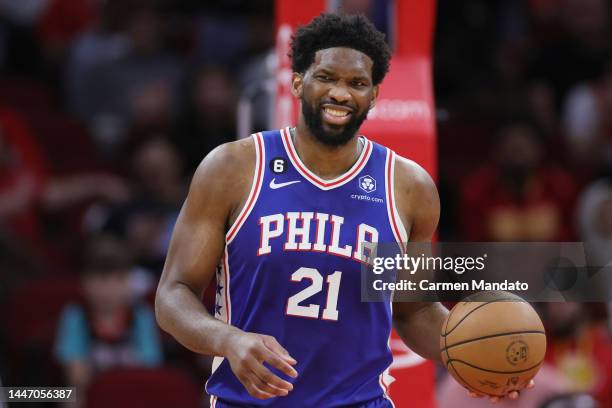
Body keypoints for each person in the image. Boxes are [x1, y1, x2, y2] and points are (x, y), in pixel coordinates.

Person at [155, 13, 530, 407]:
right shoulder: (234, 168)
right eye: (327, 77)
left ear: (374, 95)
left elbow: (413, 310)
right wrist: (227, 339)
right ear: (298, 81)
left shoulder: (407, 188)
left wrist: (471, 354)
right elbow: (173, 294)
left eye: (357, 83)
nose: (341, 93)